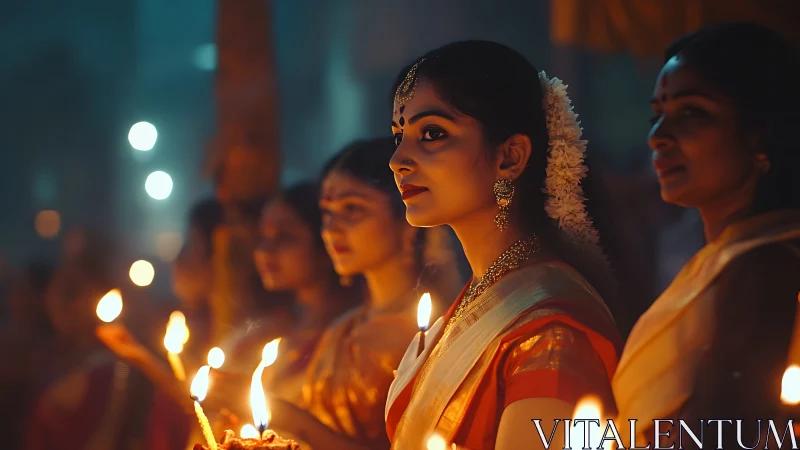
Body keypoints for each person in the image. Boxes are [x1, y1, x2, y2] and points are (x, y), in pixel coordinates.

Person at [385, 41, 622, 450]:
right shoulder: (483, 296)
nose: (398, 160)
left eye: (433, 133)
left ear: (510, 157)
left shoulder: (551, 336)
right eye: (398, 136)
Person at [613, 23, 800, 449]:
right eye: (655, 113)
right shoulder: (725, 260)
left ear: (761, 134)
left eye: (691, 113)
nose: (657, 137)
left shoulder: (765, 266)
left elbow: (728, 433)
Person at [269, 138, 464, 450]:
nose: (331, 230)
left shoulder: (431, 334)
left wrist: (286, 418)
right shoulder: (341, 329)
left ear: (407, 218)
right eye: (327, 213)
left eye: (352, 209)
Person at [253, 182, 362, 404]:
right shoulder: (269, 328)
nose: (266, 251)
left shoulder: (348, 339)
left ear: (324, 242)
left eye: (284, 237)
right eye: (263, 237)